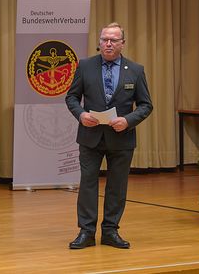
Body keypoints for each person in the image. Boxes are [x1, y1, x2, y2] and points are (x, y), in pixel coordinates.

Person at [65, 22, 153, 249]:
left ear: (122, 43)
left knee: (117, 186)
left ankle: (110, 232)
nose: (108, 43)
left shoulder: (135, 70)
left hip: (121, 139)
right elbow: (71, 98)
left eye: (113, 40)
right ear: (99, 43)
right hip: (90, 137)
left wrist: (128, 120)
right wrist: (81, 114)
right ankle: (86, 232)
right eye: (104, 39)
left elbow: (145, 105)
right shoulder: (85, 66)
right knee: (87, 185)